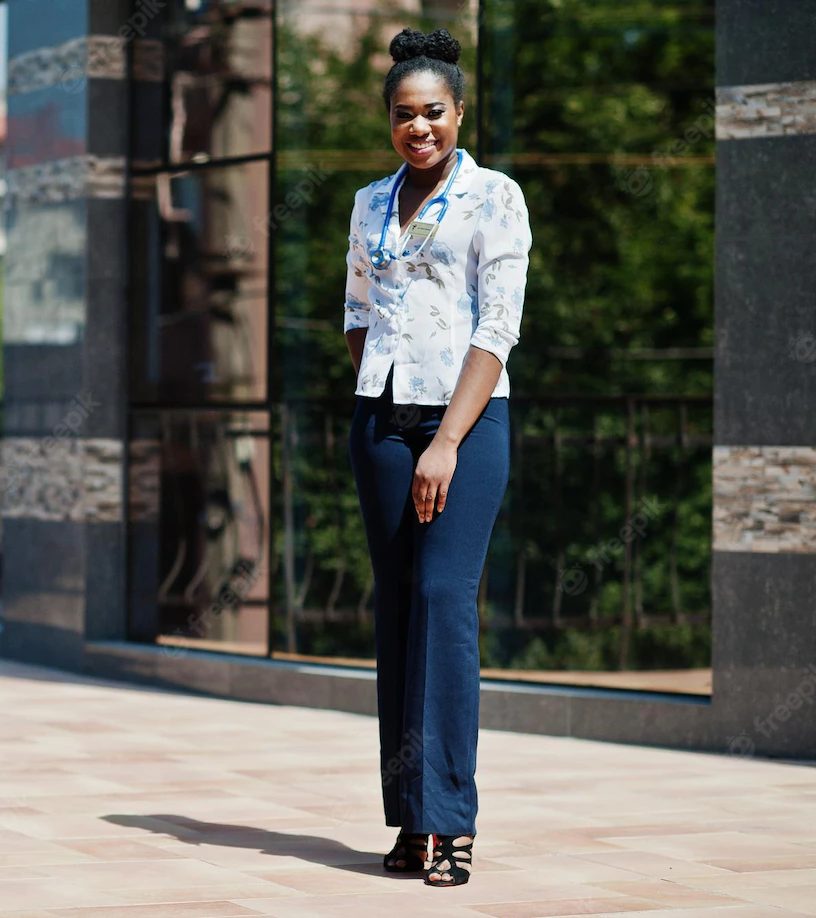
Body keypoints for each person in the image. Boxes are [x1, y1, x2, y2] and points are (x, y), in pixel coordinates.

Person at [342, 26, 531, 887]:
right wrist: (381, 406)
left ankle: (452, 817)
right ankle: (409, 821)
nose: (420, 128)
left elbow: (498, 327)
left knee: (443, 600)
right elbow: (355, 309)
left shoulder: (496, 196)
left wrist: (445, 441)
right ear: (390, 120)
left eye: (435, 113)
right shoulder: (369, 201)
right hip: (382, 424)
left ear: (459, 111)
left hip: (467, 423)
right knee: (398, 612)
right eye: (405, 116)